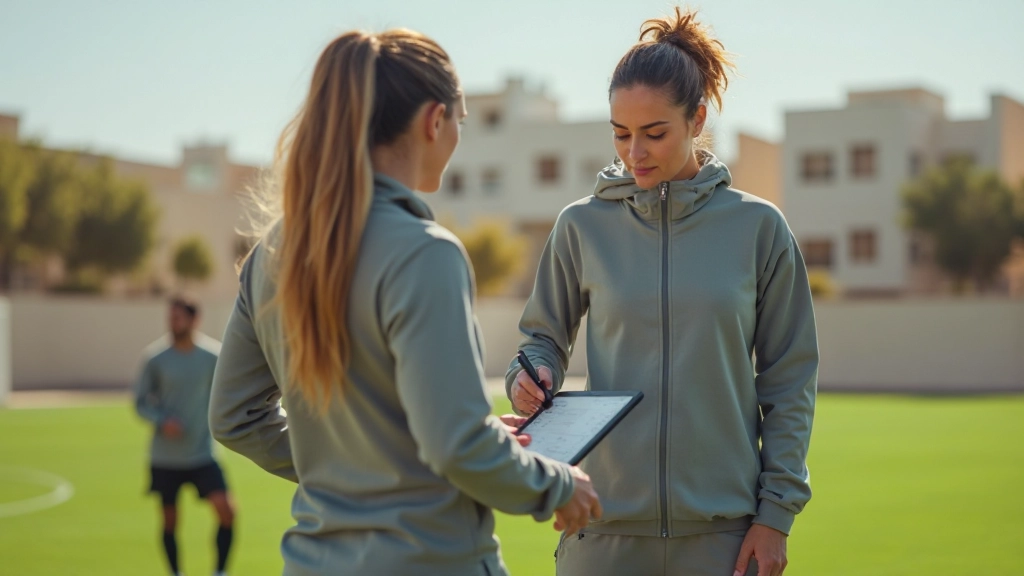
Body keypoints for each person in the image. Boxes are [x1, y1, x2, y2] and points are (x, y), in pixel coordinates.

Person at [207, 29, 601, 576]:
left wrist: (359, 464)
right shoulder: (425, 253)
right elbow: (456, 448)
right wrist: (559, 484)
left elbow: (235, 418)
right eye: (461, 121)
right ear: (434, 121)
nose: (458, 135)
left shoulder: (273, 253)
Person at [507, 8, 818, 576]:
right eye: (620, 133)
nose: (635, 152)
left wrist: (775, 515)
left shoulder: (759, 228)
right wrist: (530, 375)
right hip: (601, 531)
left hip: (724, 537)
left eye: (654, 133)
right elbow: (540, 340)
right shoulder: (581, 226)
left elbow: (789, 380)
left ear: (697, 119)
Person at [134, 296, 236, 576]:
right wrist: (162, 420)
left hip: (202, 452)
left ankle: (220, 572)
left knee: (227, 511)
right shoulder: (155, 358)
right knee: (169, 521)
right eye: (170, 318)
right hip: (165, 457)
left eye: (178, 318)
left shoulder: (213, 356)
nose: (172, 323)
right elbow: (140, 403)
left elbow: (229, 393)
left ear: (194, 320)